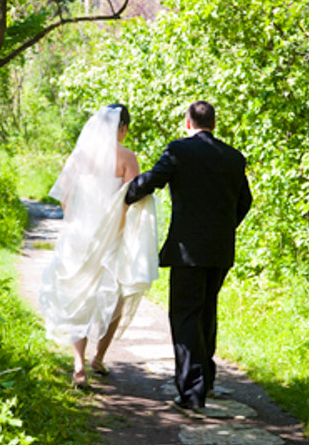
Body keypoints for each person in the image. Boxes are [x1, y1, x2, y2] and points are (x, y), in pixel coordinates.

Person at [125, 101, 253, 410]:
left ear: (188, 123)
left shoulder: (179, 150)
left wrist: (125, 195)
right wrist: (224, 228)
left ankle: (192, 395)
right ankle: (205, 380)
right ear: (214, 124)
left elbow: (154, 180)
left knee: (184, 317)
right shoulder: (234, 157)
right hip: (220, 249)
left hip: (188, 250)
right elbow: (245, 201)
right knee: (206, 312)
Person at [39, 104, 159, 386]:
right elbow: (131, 201)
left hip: (79, 234)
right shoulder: (127, 157)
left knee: (78, 295)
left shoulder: (80, 156)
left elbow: (65, 196)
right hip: (112, 236)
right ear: (122, 128)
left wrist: (75, 222)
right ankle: (99, 357)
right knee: (116, 296)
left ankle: (78, 365)